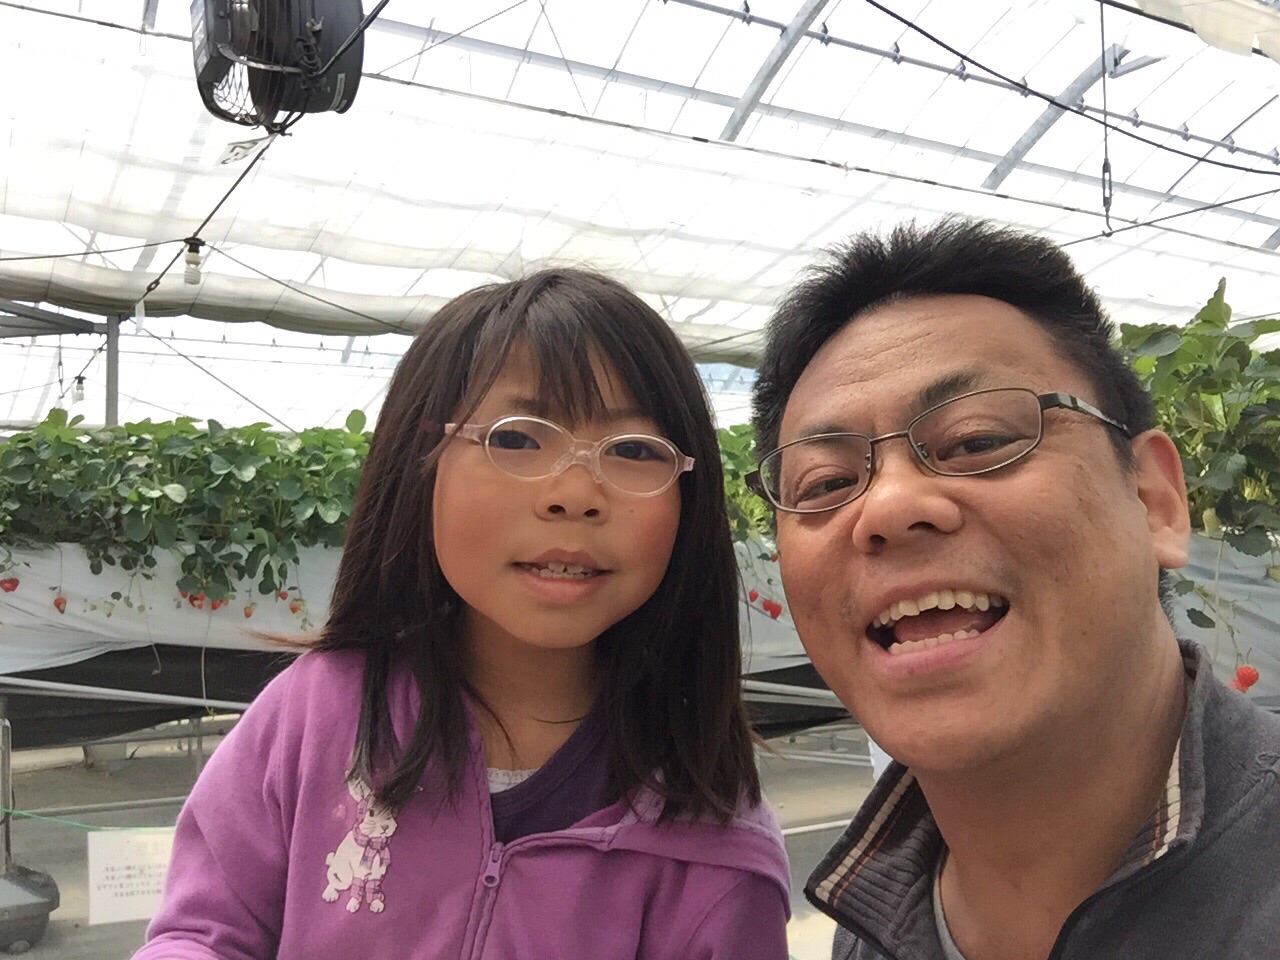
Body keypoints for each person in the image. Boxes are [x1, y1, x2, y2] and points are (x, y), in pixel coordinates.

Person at [135, 269, 790, 960]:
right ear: (419, 463)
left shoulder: (719, 849)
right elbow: (202, 934)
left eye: (633, 450)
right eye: (517, 437)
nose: (574, 493)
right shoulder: (317, 714)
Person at [749, 218, 1280, 960]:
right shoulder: (871, 923)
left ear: (1154, 500)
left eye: (977, 441)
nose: (888, 506)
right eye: (827, 483)